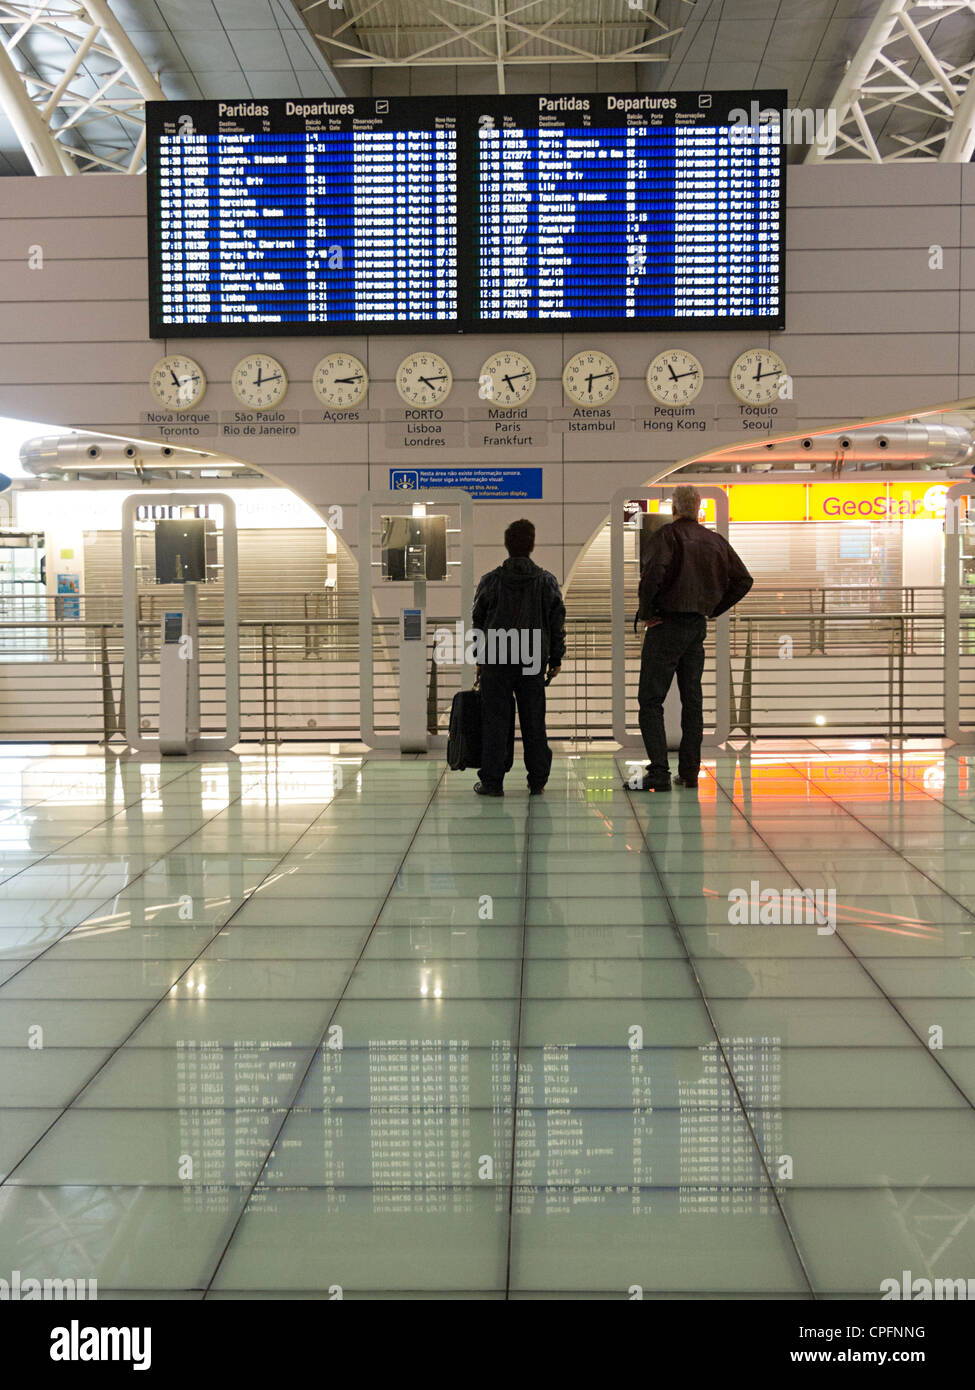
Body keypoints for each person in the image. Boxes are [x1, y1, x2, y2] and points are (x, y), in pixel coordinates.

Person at [632, 485, 753, 792]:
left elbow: (653, 574)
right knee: (692, 701)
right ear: (699, 509)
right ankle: (689, 772)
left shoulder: (666, 537)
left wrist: (647, 612)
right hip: (696, 629)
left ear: (674, 509)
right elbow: (743, 580)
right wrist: (712, 609)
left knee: (650, 700)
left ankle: (659, 771)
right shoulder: (715, 541)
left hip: (665, 625)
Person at [471, 518, 565, 797]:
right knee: (534, 721)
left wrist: (479, 657)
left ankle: (492, 781)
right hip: (532, 659)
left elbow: (478, 622)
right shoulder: (546, 582)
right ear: (532, 545)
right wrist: (556, 658)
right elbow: (557, 622)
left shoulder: (490, 581)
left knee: (495, 721)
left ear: (507, 545)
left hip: (496, 659)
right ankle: (537, 780)